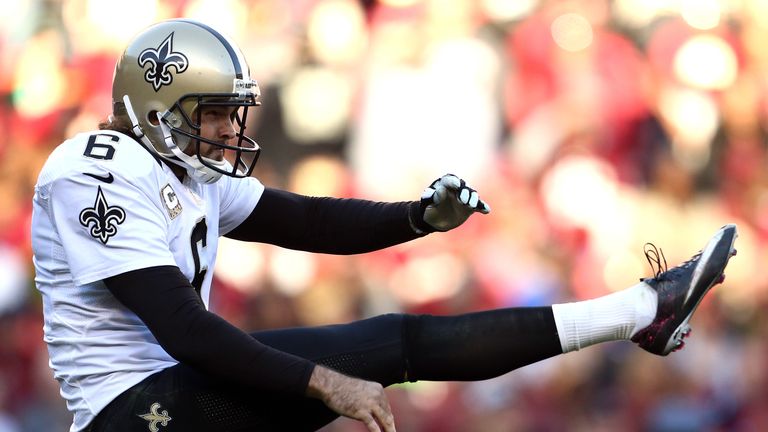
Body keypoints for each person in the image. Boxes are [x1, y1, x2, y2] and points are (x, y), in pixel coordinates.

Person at [30, 19, 738, 432]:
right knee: (381, 348)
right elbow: (183, 327)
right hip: (130, 414)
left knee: (398, 340)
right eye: (211, 112)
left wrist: (417, 218)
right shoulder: (93, 170)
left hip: (176, 395)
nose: (227, 129)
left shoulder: (185, 171)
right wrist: (325, 383)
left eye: (230, 112)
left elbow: (304, 218)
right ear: (156, 109)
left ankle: (641, 312)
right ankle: (641, 310)